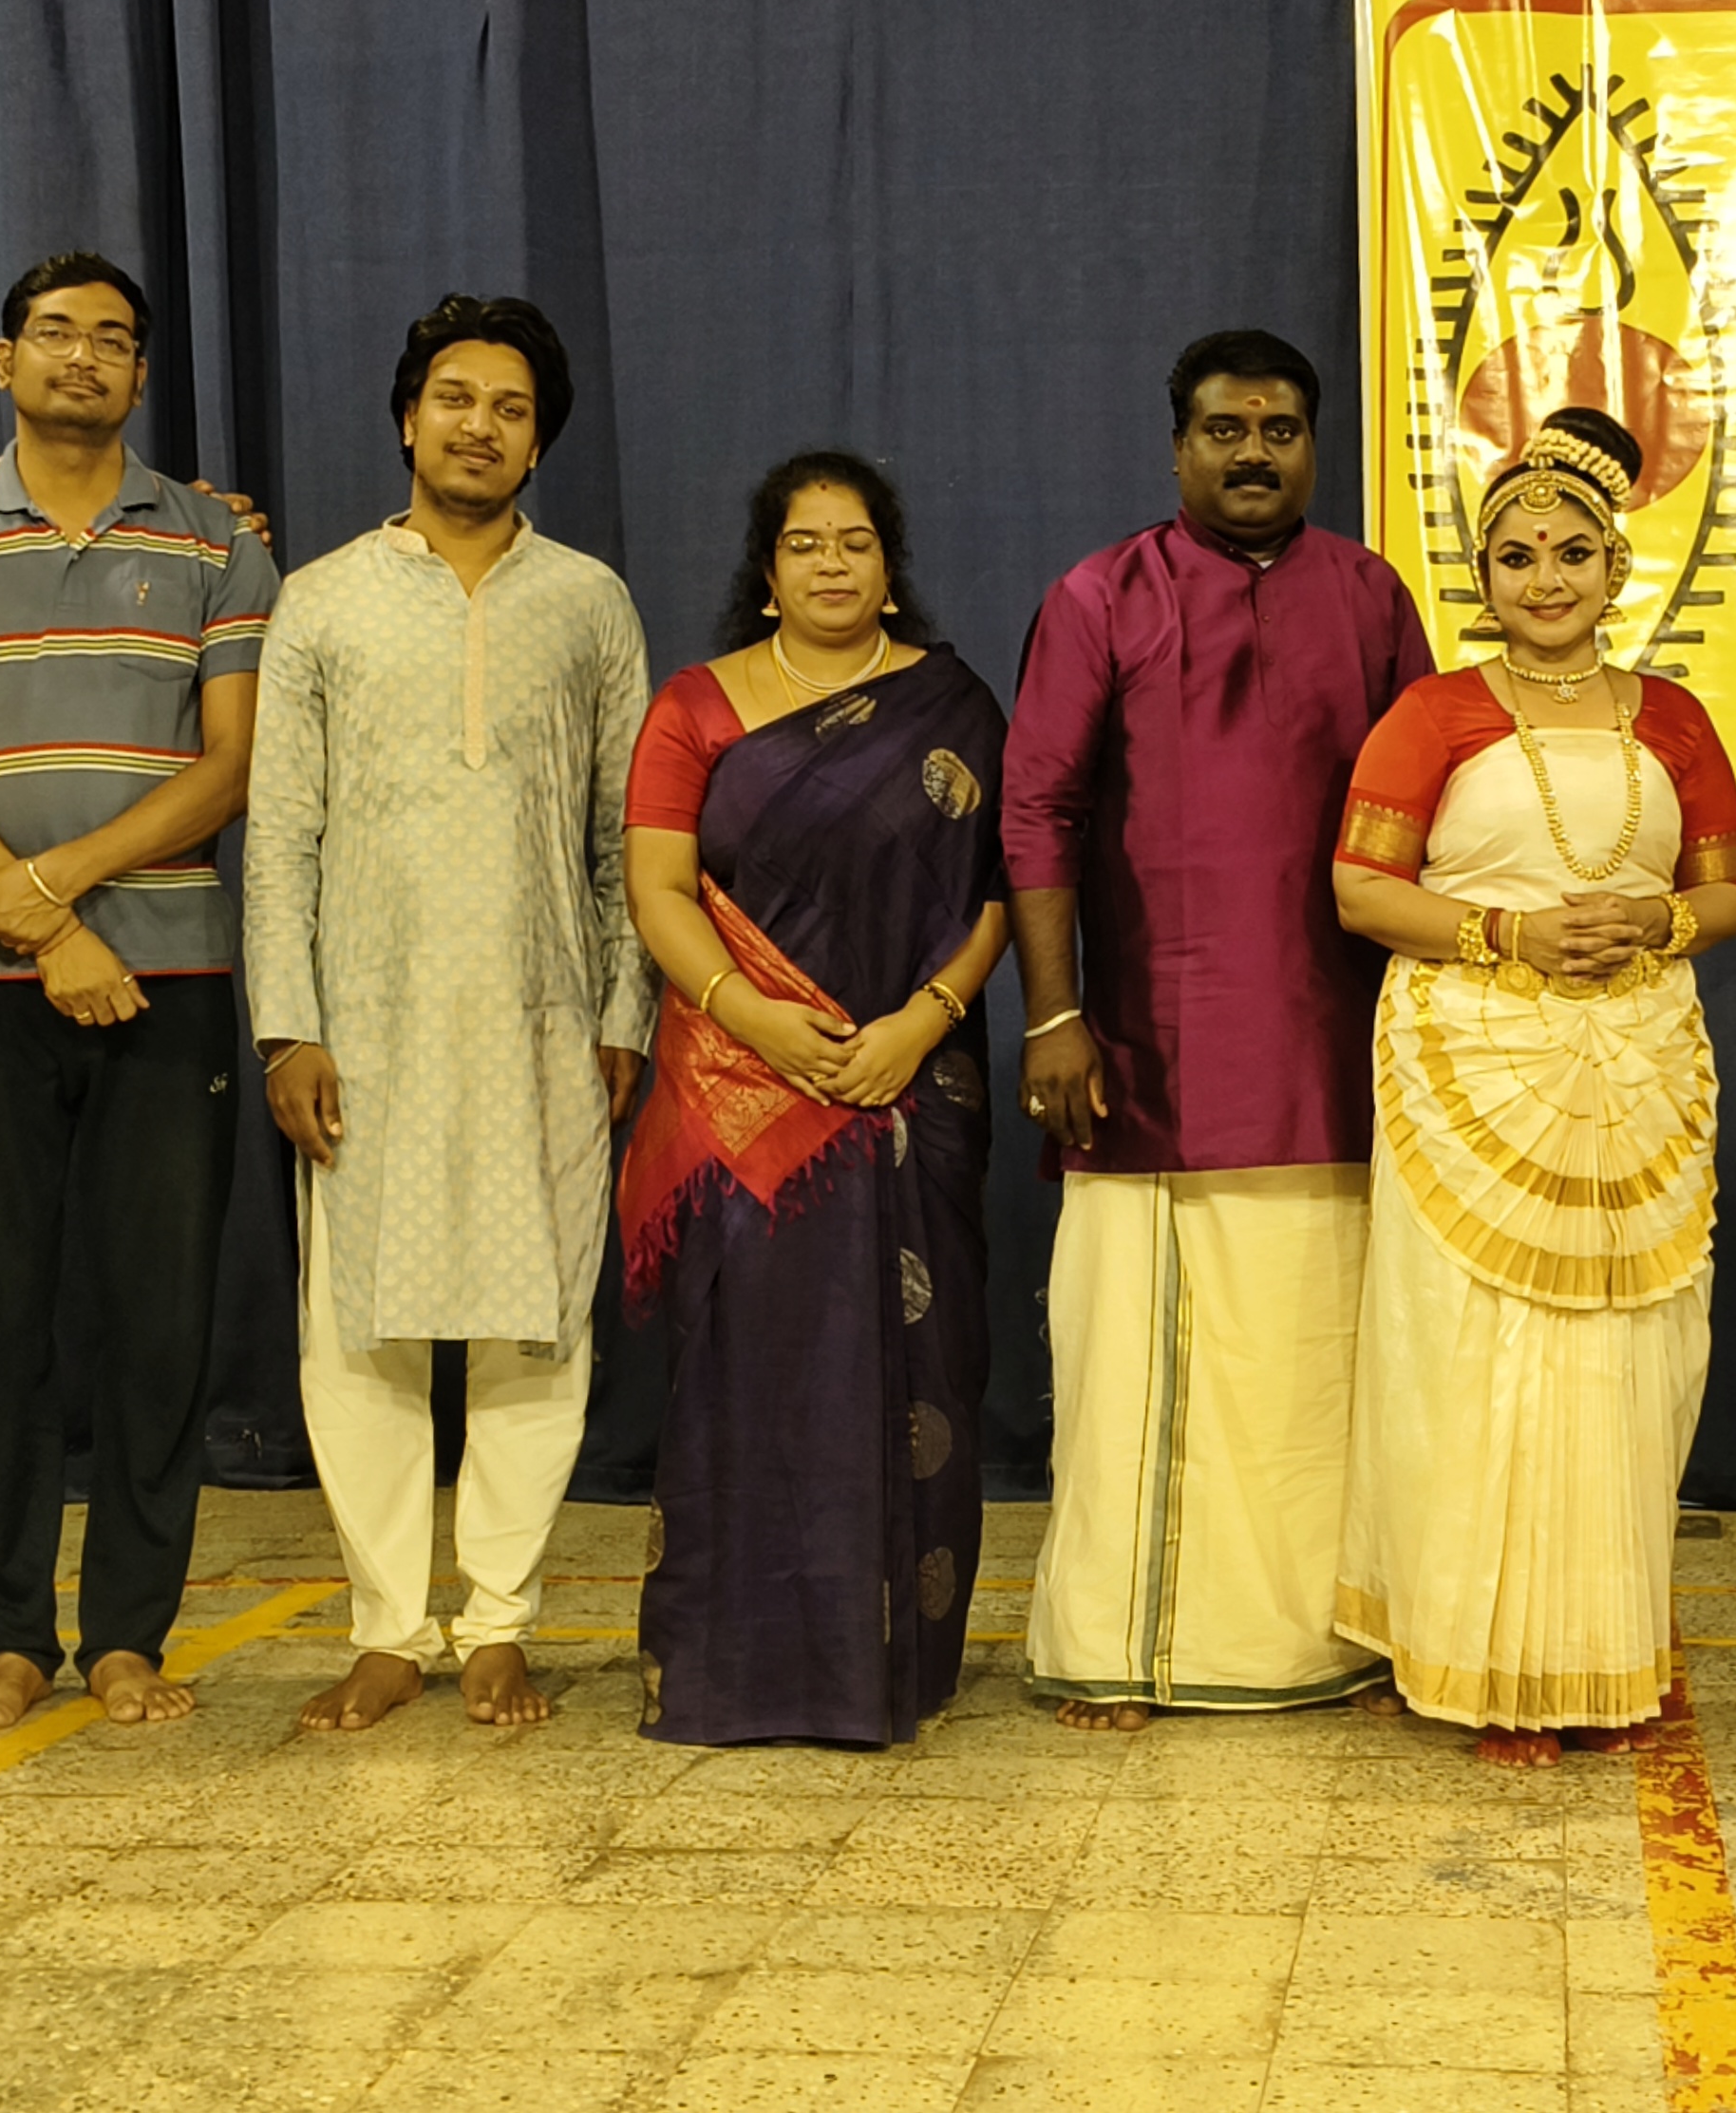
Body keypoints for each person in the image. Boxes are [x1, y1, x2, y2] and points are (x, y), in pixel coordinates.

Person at [1006, 329, 1437, 1727]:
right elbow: (1038, 812)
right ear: (1176, 446)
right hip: (1144, 1055)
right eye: (1223, 430)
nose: (1254, 452)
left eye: (1280, 429)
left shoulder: (1369, 595)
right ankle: (1122, 1646)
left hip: (1331, 1051)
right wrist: (1058, 1013)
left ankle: (1315, 1642)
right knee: (1137, 1368)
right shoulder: (1101, 594)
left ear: (1315, 443)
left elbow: (1427, 814)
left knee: (1309, 1368)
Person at [0, 252, 271, 1734]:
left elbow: (229, 763)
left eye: (112, 340)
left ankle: (130, 1640)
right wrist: (43, 930)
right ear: (2, 360)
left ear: (142, 374)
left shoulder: (219, 542)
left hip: (173, 965)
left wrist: (65, 883)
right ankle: (14, 1635)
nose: (82, 359)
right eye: (55, 335)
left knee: (159, 1317)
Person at [241, 294, 652, 1733]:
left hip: (547, 1023)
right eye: (457, 398)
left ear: (541, 446)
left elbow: (624, 832)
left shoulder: (588, 601)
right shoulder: (327, 597)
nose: (481, 425)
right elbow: (279, 829)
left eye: (513, 409)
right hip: (368, 1027)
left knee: (536, 1328)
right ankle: (385, 1625)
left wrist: (623, 1009)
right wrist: (288, 1025)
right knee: (361, 1331)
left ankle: (500, 1620)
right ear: (409, 418)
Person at [1328, 408, 1736, 1767]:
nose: (1549, 577)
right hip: (1473, 1054)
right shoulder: (1433, 713)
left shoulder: (1678, 718)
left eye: (1575, 552)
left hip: (1634, 1052)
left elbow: (1728, 887)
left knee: (1629, 1354)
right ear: (1485, 577)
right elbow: (1357, 889)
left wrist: (1662, 928)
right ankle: (1477, 1660)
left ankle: (1603, 1650)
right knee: (1473, 1356)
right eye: (1519, 557)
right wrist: (1507, 933)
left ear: (1618, 568)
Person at [617, 453, 1009, 1745]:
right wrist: (754, 1019)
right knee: (745, 1370)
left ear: (889, 563)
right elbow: (662, 889)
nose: (833, 564)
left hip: (910, 1084)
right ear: (768, 566)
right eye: (806, 544)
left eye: (856, 542)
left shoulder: (949, 706)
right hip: (743, 1088)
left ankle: (890, 1670)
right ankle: (739, 1671)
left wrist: (920, 1022)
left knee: (911, 1379)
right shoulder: (698, 705)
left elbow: (999, 894)